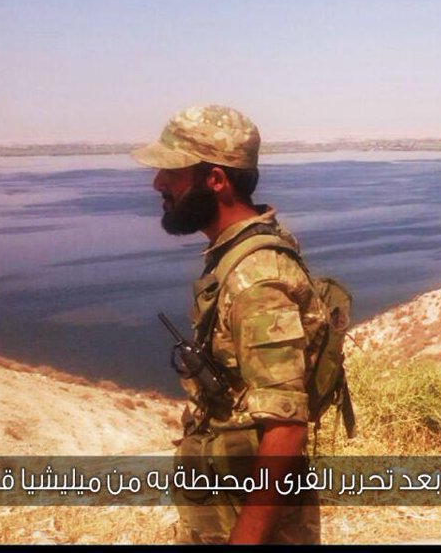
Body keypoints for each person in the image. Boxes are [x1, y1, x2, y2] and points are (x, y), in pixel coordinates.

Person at [133, 104, 322, 544]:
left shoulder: (257, 278)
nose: (158, 182)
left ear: (215, 180)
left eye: (172, 172)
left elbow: (286, 427)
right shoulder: (235, 259)